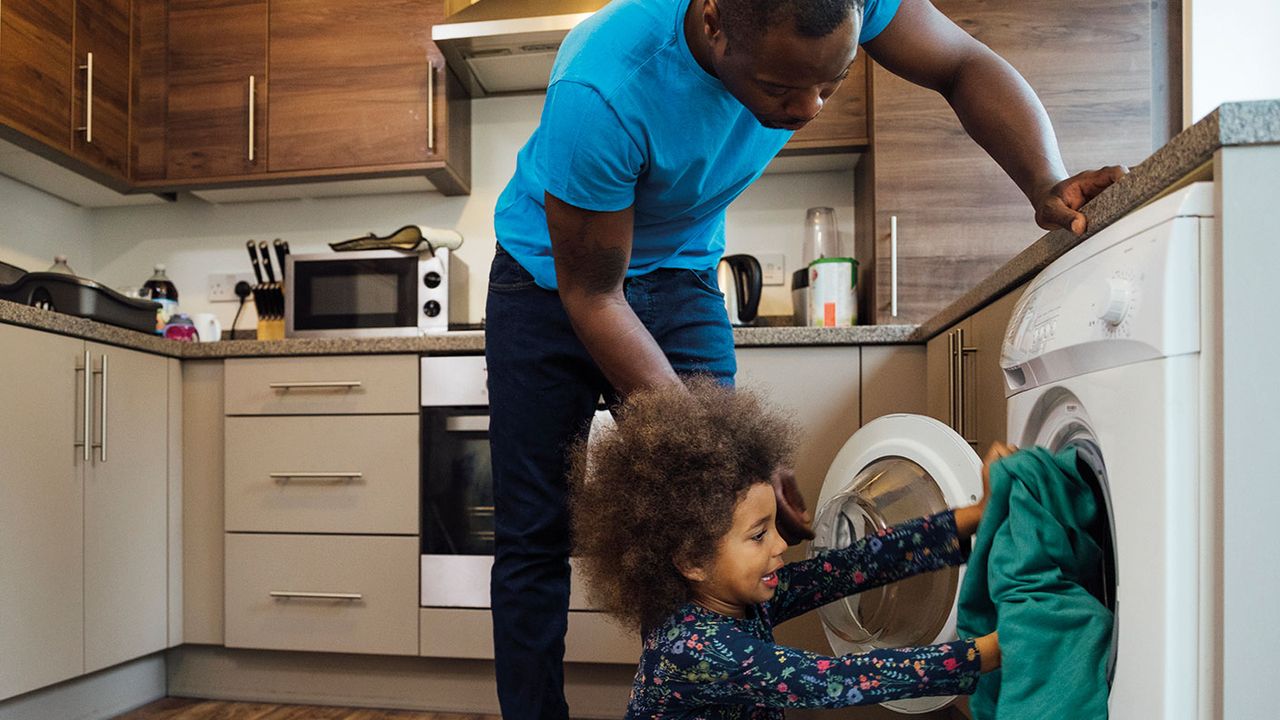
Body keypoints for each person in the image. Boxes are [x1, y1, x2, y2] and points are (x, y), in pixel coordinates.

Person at [486, 0, 1122, 716]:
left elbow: (961, 62)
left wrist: (1045, 181)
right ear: (714, 20)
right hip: (553, 283)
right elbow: (594, 295)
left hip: (680, 274)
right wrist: (985, 653)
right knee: (535, 535)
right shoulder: (604, 88)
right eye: (781, 88)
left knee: (722, 521)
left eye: (833, 81)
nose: (809, 109)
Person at [570, 380, 1014, 718]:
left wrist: (975, 515)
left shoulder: (735, 597)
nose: (782, 543)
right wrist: (993, 651)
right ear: (691, 560)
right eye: (759, 534)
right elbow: (834, 682)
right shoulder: (694, 648)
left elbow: (851, 566)